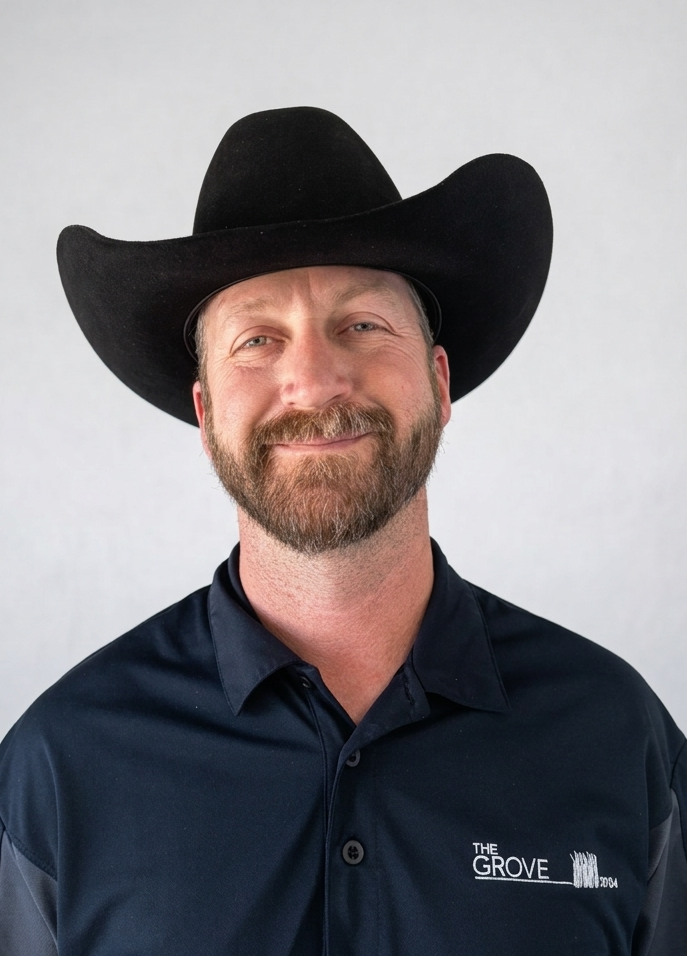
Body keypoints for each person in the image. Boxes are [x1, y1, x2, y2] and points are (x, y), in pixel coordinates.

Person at [0, 106, 684, 955]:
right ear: (206, 411)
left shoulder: (616, 737)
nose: (315, 380)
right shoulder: (61, 765)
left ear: (437, 381)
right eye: (257, 339)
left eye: (362, 325)